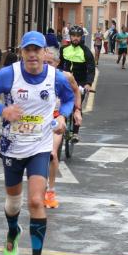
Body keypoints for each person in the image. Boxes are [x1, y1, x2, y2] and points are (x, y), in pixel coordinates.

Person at [0, 31, 75, 255]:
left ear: (45, 53)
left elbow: (69, 98)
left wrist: (63, 116)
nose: (32, 54)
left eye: (37, 50)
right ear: (22, 52)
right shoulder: (8, 74)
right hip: (12, 146)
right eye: (27, 50)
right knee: (13, 204)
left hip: (40, 146)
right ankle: (13, 230)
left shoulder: (56, 77)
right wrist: (3, 110)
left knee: (35, 201)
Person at [43, 47, 83, 209]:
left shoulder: (65, 77)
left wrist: (77, 111)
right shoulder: (34, 76)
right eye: (43, 62)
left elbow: (75, 92)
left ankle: (50, 191)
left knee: (52, 154)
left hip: (56, 118)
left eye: (49, 63)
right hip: (37, 121)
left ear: (58, 63)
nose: (46, 66)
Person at [59, 25, 96, 143]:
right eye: (73, 36)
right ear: (70, 36)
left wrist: (88, 84)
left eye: (78, 36)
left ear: (81, 37)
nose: (75, 38)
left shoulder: (86, 52)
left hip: (80, 83)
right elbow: (59, 65)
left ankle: (75, 132)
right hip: (65, 81)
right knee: (59, 104)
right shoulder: (63, 49)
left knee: (77, 107)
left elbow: (91, 69)